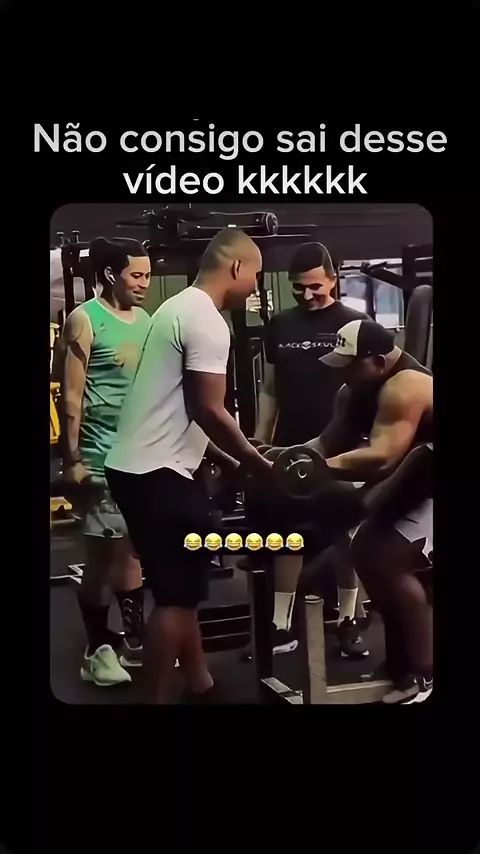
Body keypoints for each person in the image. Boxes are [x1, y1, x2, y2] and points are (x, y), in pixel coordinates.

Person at [105, 228, 273, 705]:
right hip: (158, 475)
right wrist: (255, 462)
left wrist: (228, 459)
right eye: (256, 275)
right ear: (237, 267)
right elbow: (210, 410)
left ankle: (201, 684)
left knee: (183, 588)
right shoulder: (207, 321)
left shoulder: (176, 307)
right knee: (176, 599)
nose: (256, 286)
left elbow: (181, 408)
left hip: (142, 468)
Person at [253, 242, 370, 658]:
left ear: (333, 279)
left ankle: (349, 622)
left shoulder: (356, 323)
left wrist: (371, 441)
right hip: (291, 446)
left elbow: (372, 386)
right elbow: (270, 389)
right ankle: (281, 625)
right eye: (298, 287)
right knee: (287, 537)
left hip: (344, 447)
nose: (307, 295)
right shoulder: (280, 326)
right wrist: (260, 442)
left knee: (347, 535)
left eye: (315, 286)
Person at [309, 317, 433, 703]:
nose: (343, 373)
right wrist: (275, 458)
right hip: (417, 475)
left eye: (350, 364)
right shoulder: (353, 390)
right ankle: (400, 665)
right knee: (366, 551)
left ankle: (425, 674)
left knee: (388, 558)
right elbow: (327, 443)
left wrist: (314, 467)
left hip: (430, 476)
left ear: (378, 362)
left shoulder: (407, 386)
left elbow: (382, 456)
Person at [60, 237, 152, 686]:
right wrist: (72, 460)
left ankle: (132, 642)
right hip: (98, 455)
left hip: (139, 455)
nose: (145, 283)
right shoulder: (85, 319)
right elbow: (71, 396)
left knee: (130, 549)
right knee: (101, 557)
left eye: (148, 275)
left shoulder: (146, 321)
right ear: (112, 274)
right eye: (137, 275)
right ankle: (96, 649)